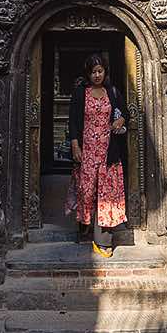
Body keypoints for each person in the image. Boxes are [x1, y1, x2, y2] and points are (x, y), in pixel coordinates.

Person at [66, 53, 128, 258]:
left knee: (106, 194)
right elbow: (73, 121)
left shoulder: (112, 92)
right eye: (93, 72)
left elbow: (124, 112)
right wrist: (75, 145)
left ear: (105, 72)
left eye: (100, 71)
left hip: (108, 150)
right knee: (87, 191)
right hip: (88, 150)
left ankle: (103, 240)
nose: (97, 75)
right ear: (88, 74)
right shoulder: (80, 93)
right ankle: (84, 226)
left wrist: (120, 120)